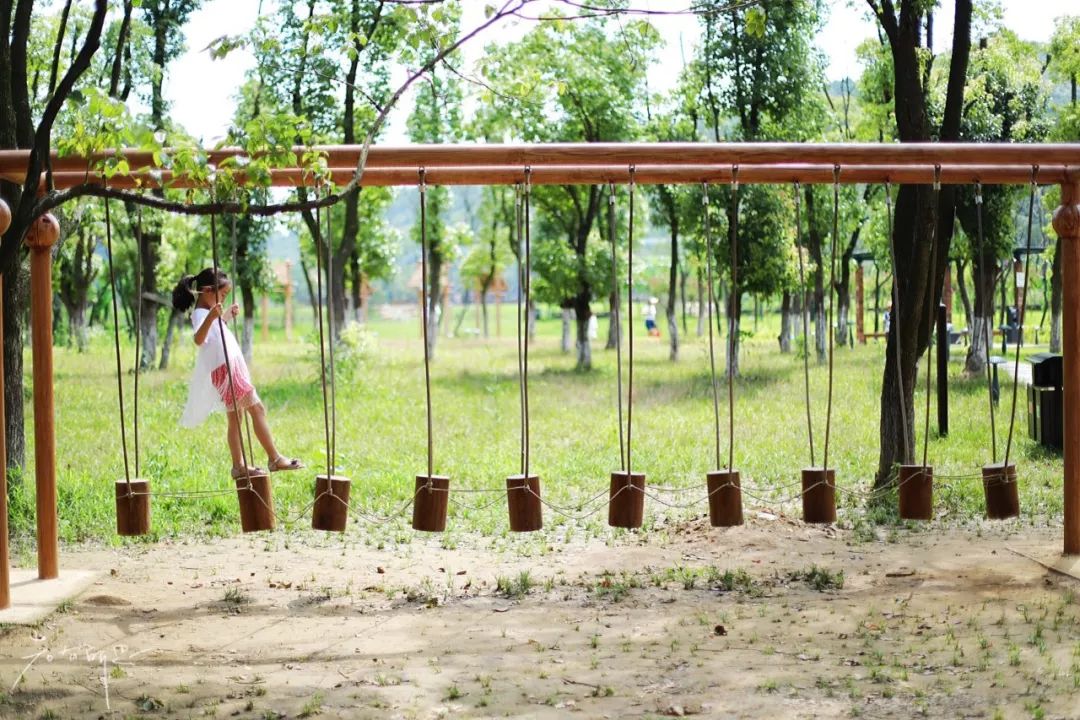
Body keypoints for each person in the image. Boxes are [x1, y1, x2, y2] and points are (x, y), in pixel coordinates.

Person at [172, 268, 303, 479]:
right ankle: (274, 458)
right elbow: (199, 339)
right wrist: (212, 317)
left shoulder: (208, 313)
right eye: (222, 295)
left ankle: (239, 466)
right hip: (227, 371)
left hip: (230, 367)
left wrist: (223, 317)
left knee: (236, 418)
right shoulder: (199, 314)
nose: (223, 298)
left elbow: (215, 333)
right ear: (207, 291)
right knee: (257, 409)